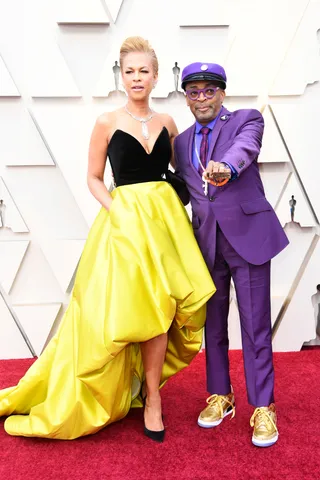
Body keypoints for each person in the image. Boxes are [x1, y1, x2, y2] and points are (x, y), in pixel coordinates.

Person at [0, 39, 215, 442]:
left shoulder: (169, 122)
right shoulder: (106, 121)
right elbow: (93, 178)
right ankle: (115, 388)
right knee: (124, 312)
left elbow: (183, 171)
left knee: (161, 310)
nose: (137, 78)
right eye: (129, 71)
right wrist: (118, 210)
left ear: (155, 76)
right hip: (123, 228)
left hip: (164, 227)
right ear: (122, 75)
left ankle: (152, 398)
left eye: (143, 71)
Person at [174, 62, 289, 447]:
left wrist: (226, 167)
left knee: (255, 327)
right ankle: (220, 396)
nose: (202, 97)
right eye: (194, 91)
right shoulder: (181, 141)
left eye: (209, 90)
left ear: (222, 93)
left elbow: (246, 149)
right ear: (186, 98)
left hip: (249, 239)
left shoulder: (245, 120)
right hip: (207, 244)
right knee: (215, 326)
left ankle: (263, 408)